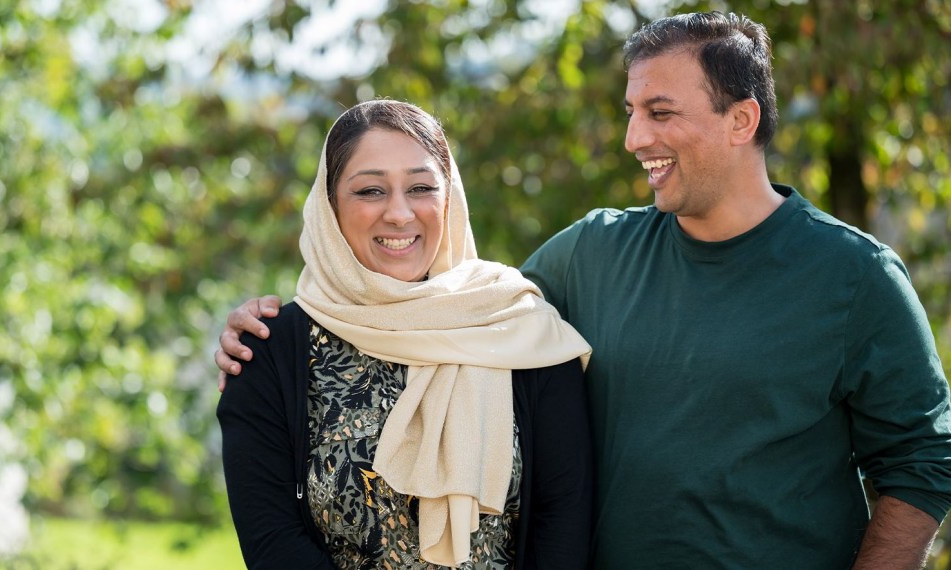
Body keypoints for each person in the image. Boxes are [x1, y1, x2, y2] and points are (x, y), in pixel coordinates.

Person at [215, 12, 951, 569]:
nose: (634, 138)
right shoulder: (592, 252)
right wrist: (273, 324)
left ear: (741, 119)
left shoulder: (854, 276)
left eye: (659, 112)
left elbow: (923, 459)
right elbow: (443, 307)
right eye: (630, 112)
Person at [216, 99, 594, 570]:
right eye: (370, 191)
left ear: (449, 199)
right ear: (329, 205)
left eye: (420, 187)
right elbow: (272, 538)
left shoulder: (520, 330)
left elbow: (562, 520)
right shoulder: (269, 353)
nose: (398, 213)